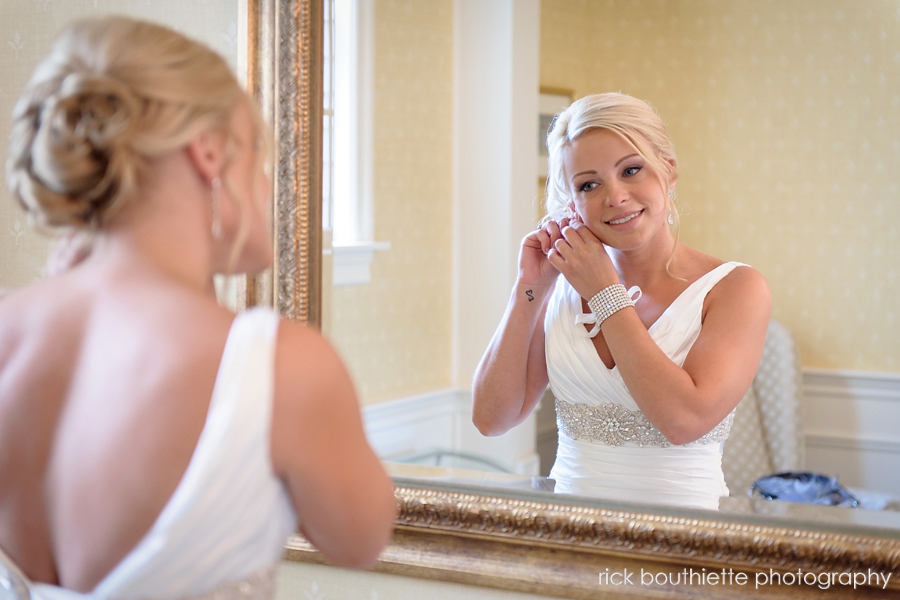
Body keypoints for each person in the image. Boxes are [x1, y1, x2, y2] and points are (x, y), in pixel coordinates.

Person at [0, 16, 396, 598]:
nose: (266, 185)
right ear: (209, 153)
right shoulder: (280, 365)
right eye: (258, 157)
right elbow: (359, 538)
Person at [472, 92, 771, 510]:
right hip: (570, 537)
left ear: (667, 169)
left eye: (631, 170)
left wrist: (605, 294)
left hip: (682, 542)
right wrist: (530, 290)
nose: (615, 196)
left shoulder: (736, 288)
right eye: (588, 184)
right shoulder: (562, 289)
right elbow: (491, 419)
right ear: (572, 202)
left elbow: (683, 421)